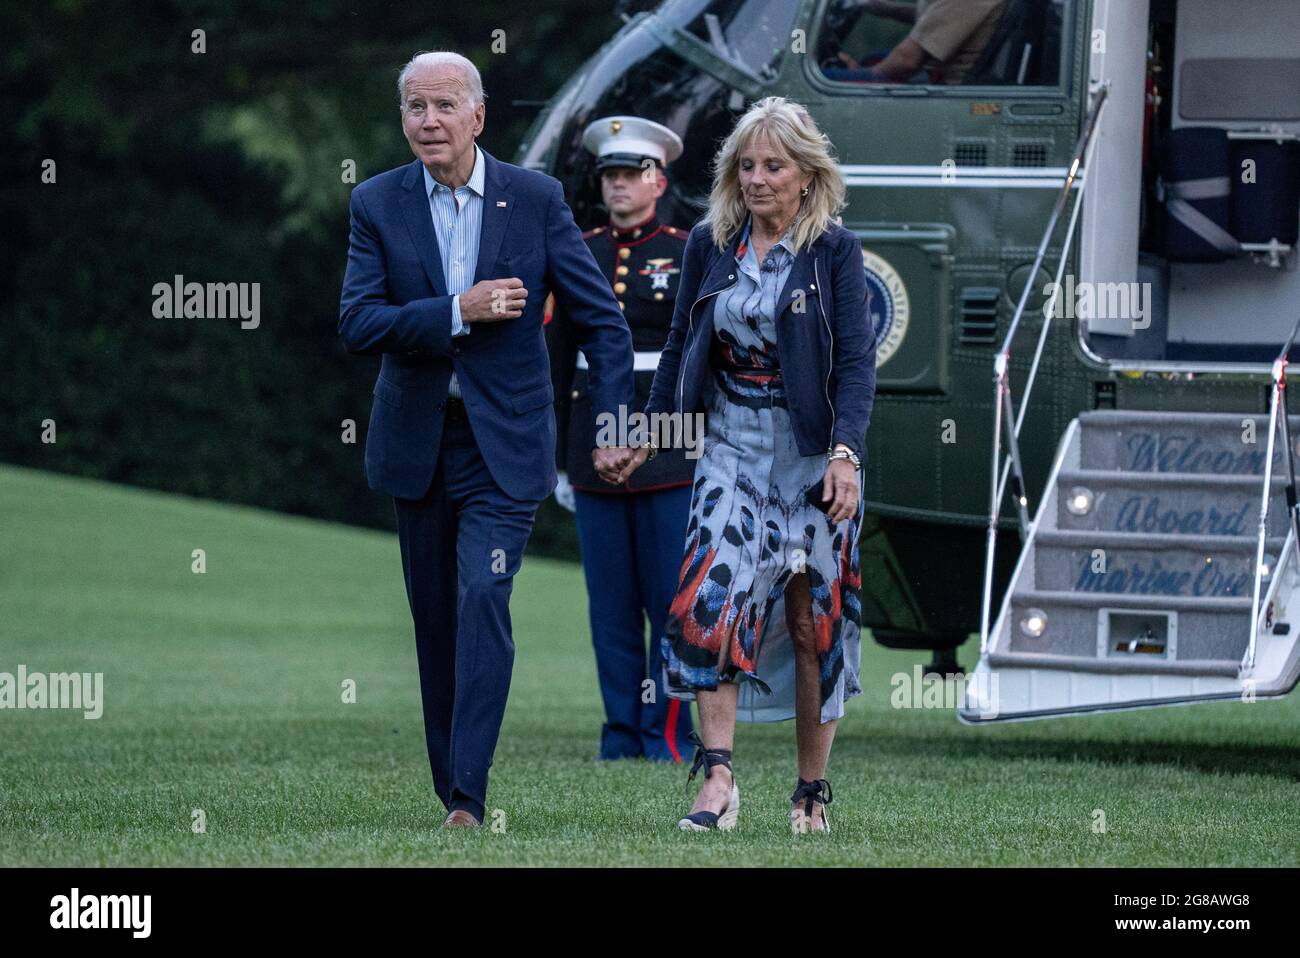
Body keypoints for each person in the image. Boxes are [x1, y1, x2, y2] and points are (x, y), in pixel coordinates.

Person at [338, 51, 634, 828]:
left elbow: (603, 323)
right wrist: (457, 309)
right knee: (436, 624)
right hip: (418, 447)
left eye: (443, 106)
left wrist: (610, 423)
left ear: (478, 115)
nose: (428, 121)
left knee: (482, 596)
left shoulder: (534, 199)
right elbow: (359, 321)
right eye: (414, 108)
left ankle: (469, 797)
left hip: (506, 449)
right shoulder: (376, 203)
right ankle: (452, 788)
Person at [619, 96, 877, 833]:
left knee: (811, 627)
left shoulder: (834, 249)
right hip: (730, 449)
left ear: (806, 175)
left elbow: (856, 364)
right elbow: (680, 344)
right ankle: (718, 780)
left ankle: (809, 792)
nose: (758, 178)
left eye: (775, 166)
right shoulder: (711, 242)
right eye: (747, 165)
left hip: (814, 458)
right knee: (711, 606)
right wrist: (654, 426)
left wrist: (845, 455)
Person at [545, 116, 697, 763]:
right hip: (590, 445)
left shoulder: (690, 249)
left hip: (669, 445)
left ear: (658, 179)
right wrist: (556, 457)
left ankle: (666, 735)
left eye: (632, 173)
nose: (618, 185)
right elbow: (555, 356)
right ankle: (619, 734)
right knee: (609, 607)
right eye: (610, 174)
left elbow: (695, 359)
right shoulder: (576, 249)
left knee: (668, 601)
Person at [824, 0, 1005, 85]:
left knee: (828, 77)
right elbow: (934, 18)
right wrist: (882, 8)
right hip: (938, 73)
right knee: (874, 57)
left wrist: (862, 73)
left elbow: (906, 61)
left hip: (947, 84)